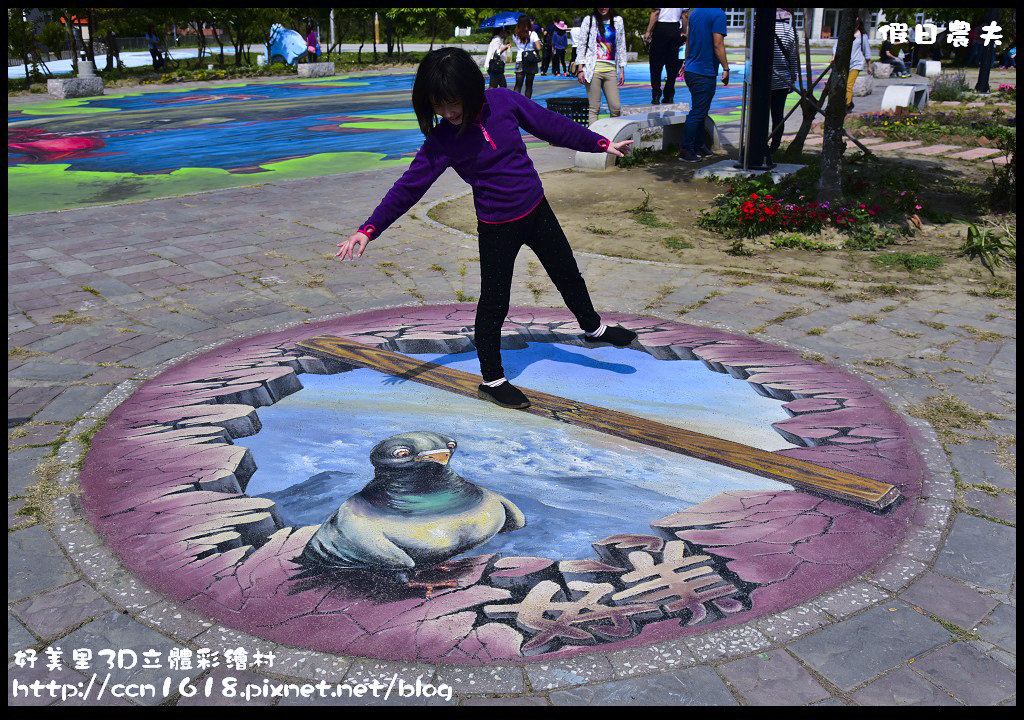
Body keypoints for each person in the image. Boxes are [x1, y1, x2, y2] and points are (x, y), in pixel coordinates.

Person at [335, 48, 637, 410]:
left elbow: (549, 124)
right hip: (496, 227)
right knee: (495, 302)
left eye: (453, 103)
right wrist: (369, 229)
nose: (448, 113)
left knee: (567, 272)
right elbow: (409, 187)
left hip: (537, 209)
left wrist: (599, 142)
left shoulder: (503, 102)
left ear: (471, 89)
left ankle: (594, 330)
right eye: (438, 106)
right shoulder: (443, 141)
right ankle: (493, 380)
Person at [679, 7, 729, 163]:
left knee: (701, 110)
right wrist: (726, 67)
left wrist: (686, 62)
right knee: (698, 111)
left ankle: (699, 145)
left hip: (692, 70)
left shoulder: (695, 14)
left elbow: (688, 41)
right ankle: (686, 149)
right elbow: (718, 44)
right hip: (704, 72)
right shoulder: (718, 14)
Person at [576, 8, 627, 126]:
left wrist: (622, 69)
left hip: (611, 69)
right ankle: (593, 140)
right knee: (594, 108)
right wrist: (580, 69)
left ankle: (613, 136)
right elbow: (582, 45)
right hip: (593, 70)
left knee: (615, 107)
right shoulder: (589, 20)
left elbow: (621, 45)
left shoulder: (618, 21)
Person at [767, 8, 799, 166]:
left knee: (760, 114)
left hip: (764, 80)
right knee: (777, 114)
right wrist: (793, 78)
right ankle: (774, 145)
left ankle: (760, 143)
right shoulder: (790, 30)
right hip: (782, 80)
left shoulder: (762, 27)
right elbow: (793, 57)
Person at [644, 8, 687, 104]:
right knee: (672, 65)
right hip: (674, 28)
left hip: (661, 28)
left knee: (656, 65)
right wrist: (683, 31)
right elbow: (685, 15)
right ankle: (669, 95)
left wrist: (648, 31)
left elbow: (656, 13)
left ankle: (656, 94)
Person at [835, 18, 871, 112]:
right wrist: (833, 56)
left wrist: (869, 65)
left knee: (849, 85)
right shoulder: (845, 33)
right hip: (845, 63)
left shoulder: (863, 36)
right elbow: (836, 46)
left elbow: (867, 51)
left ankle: (846, 106)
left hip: (856, 63)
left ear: (858, 25)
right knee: (841, 84)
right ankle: (849, 102)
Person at [511, 16, 542, 99]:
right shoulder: (533, 34)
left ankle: (515, 103)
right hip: (531, 61)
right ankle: (527, 104)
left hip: (519, 59)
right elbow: (538, 47)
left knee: (518, 84)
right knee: (529, 85)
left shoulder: (515, 35)